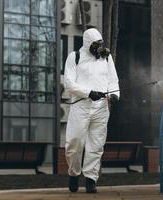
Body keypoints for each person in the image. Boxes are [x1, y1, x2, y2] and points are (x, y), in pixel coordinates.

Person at [64, 28, 119, 193]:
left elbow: (113, 80)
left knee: (96, 145)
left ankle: (90, 179)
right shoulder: (75, 57)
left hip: (101, 108)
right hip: (80, 107)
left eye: (100, 43)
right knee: (74, 143)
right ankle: (74, 173)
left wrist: (115, 95)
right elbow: (69, 83)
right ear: (88, 43)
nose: (99, 47)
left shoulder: (106, 58)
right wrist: (88, 93)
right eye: (96, 44)